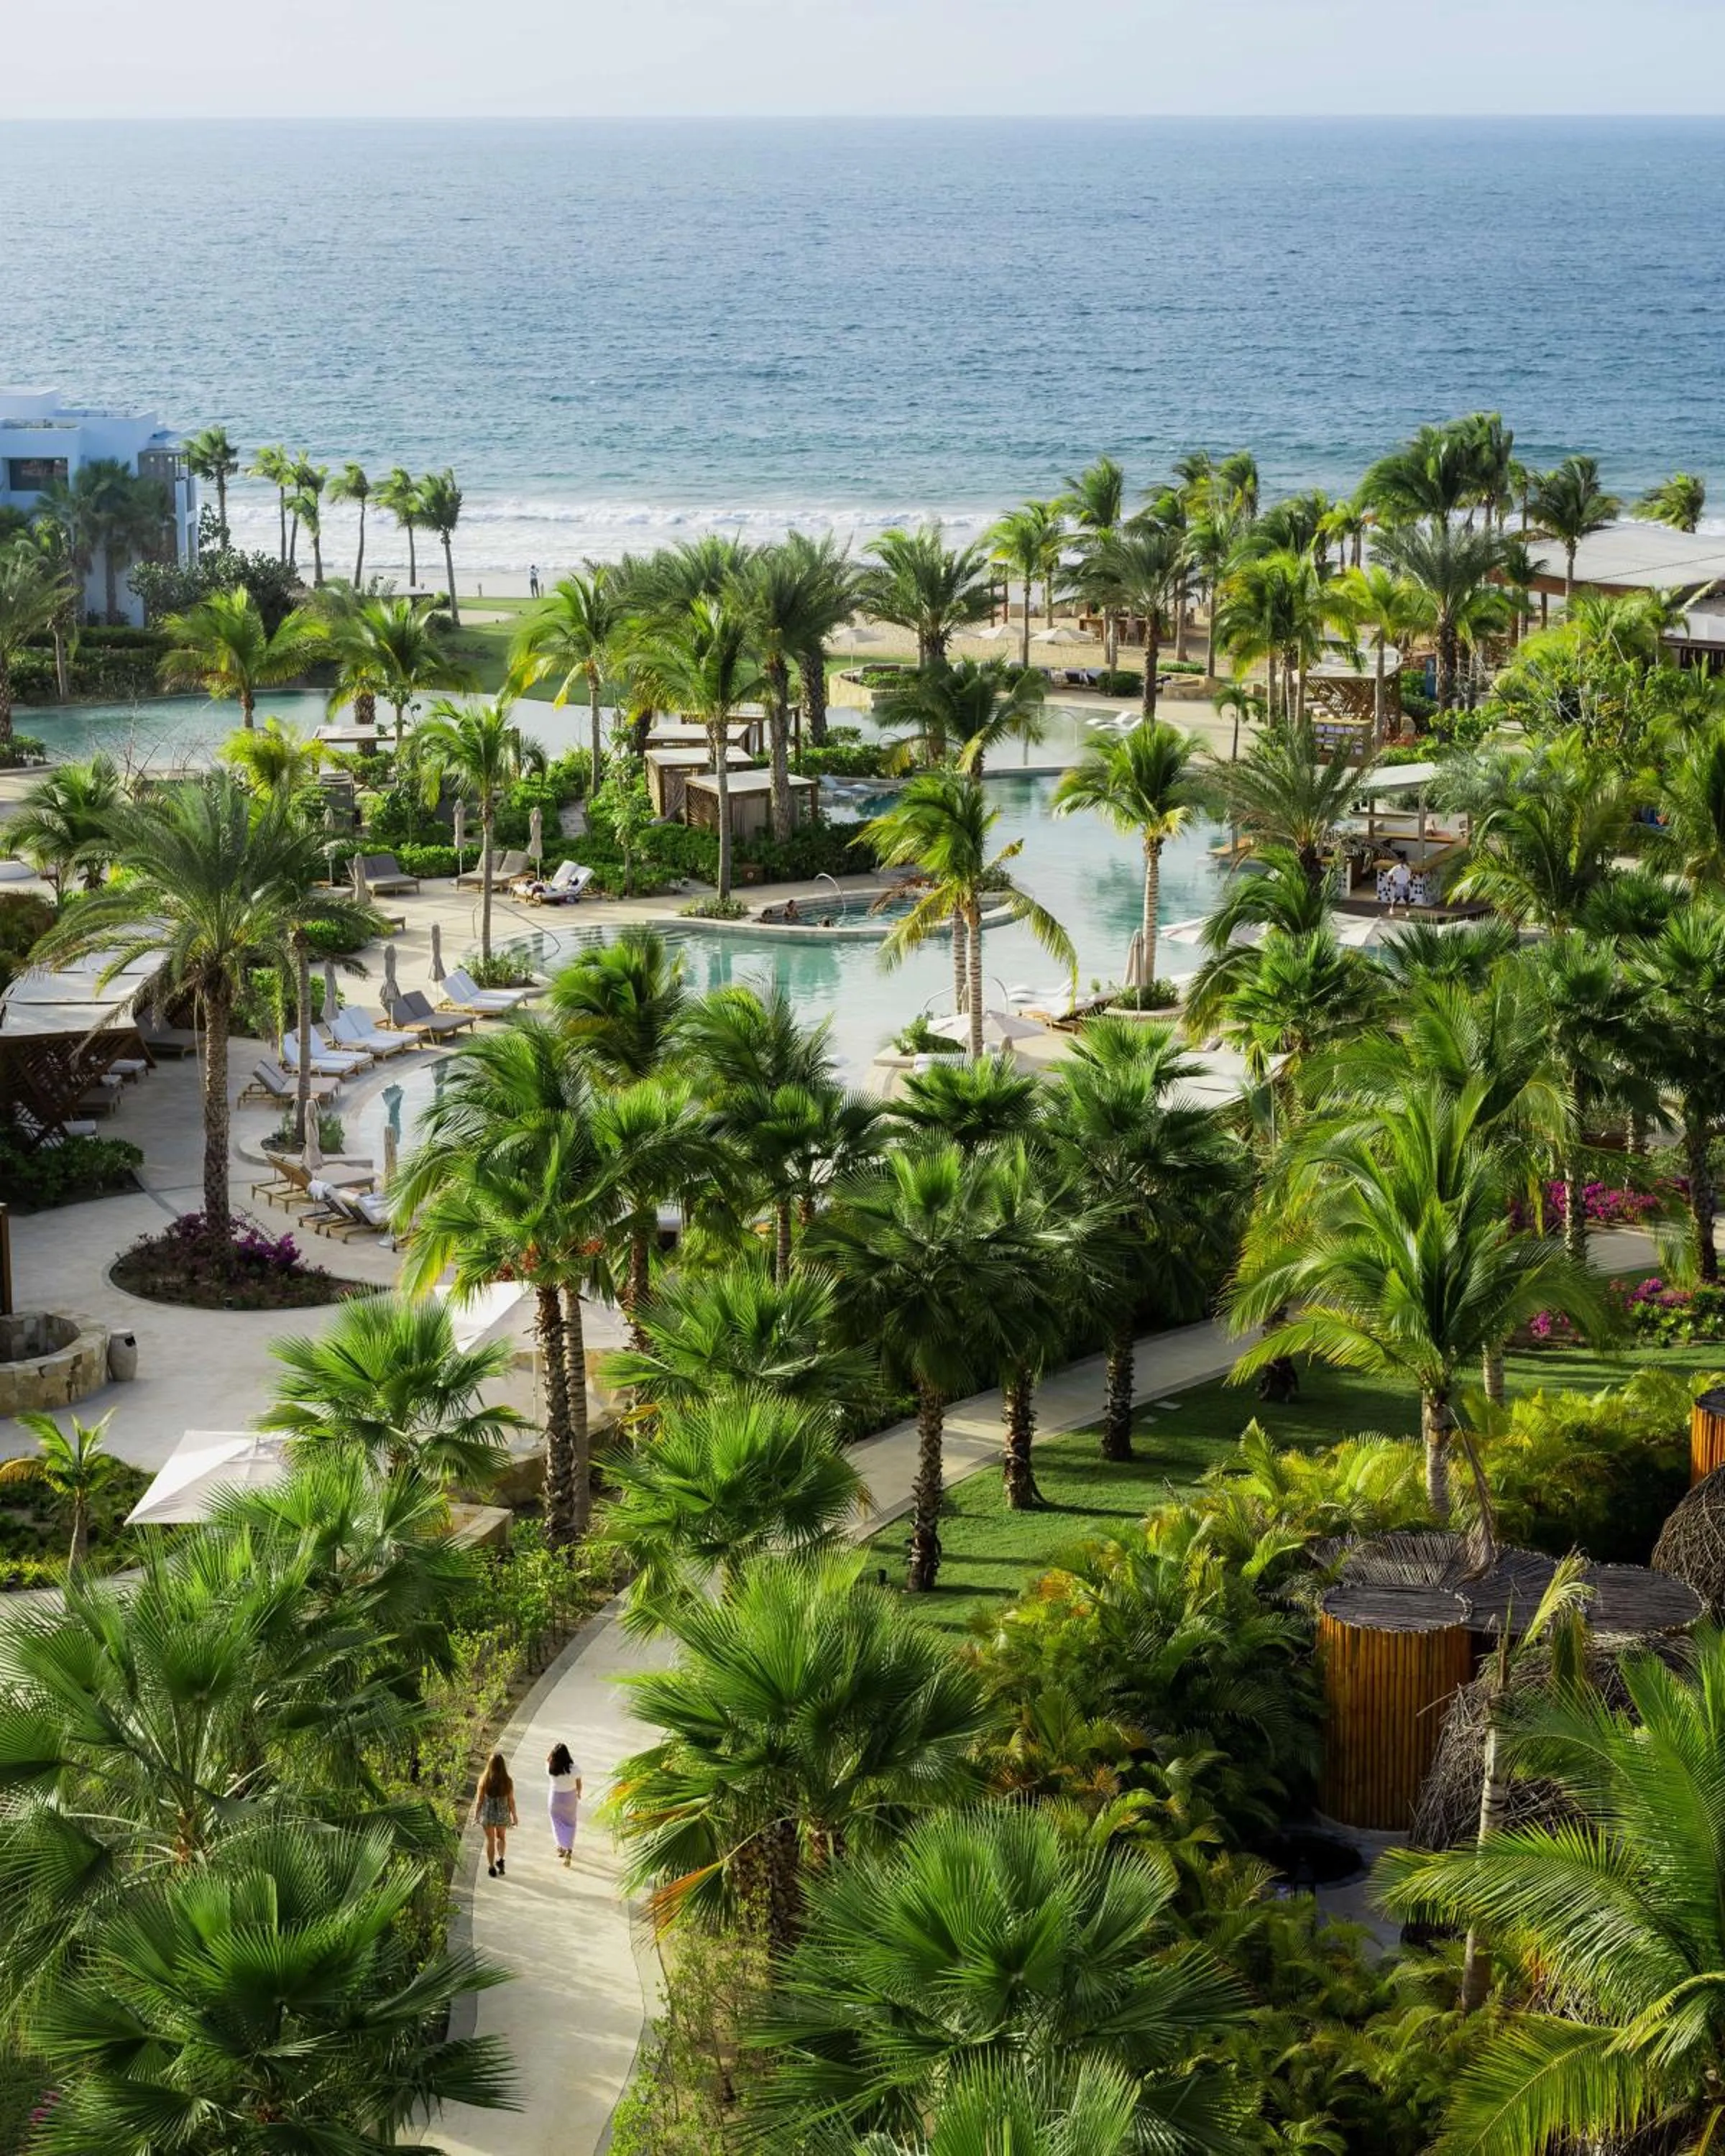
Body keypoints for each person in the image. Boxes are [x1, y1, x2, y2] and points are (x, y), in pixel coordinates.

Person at [471, 1751, 518, 1877]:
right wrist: (514, 1816)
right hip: (502, 1814)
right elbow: (511, 1801)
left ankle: (491, 1867)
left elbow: (480, 1800)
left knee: (490, 1840)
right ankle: (501, 1859)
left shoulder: (484, 1780)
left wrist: (476, 1816)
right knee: (501, 1837)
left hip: (488, 1814)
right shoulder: (508, 1781)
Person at [547, 1741, 583, 1866]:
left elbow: (547, 1759)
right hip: (570, 1798)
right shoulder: (574, 1769)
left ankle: (561, 1847)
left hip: (555, 1798)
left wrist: (552, 1752)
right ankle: (569, 1849)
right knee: (570, 1823)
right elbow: (579, 1784)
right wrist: (578, 1793)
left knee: (556, 1822)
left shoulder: (550, 1768)